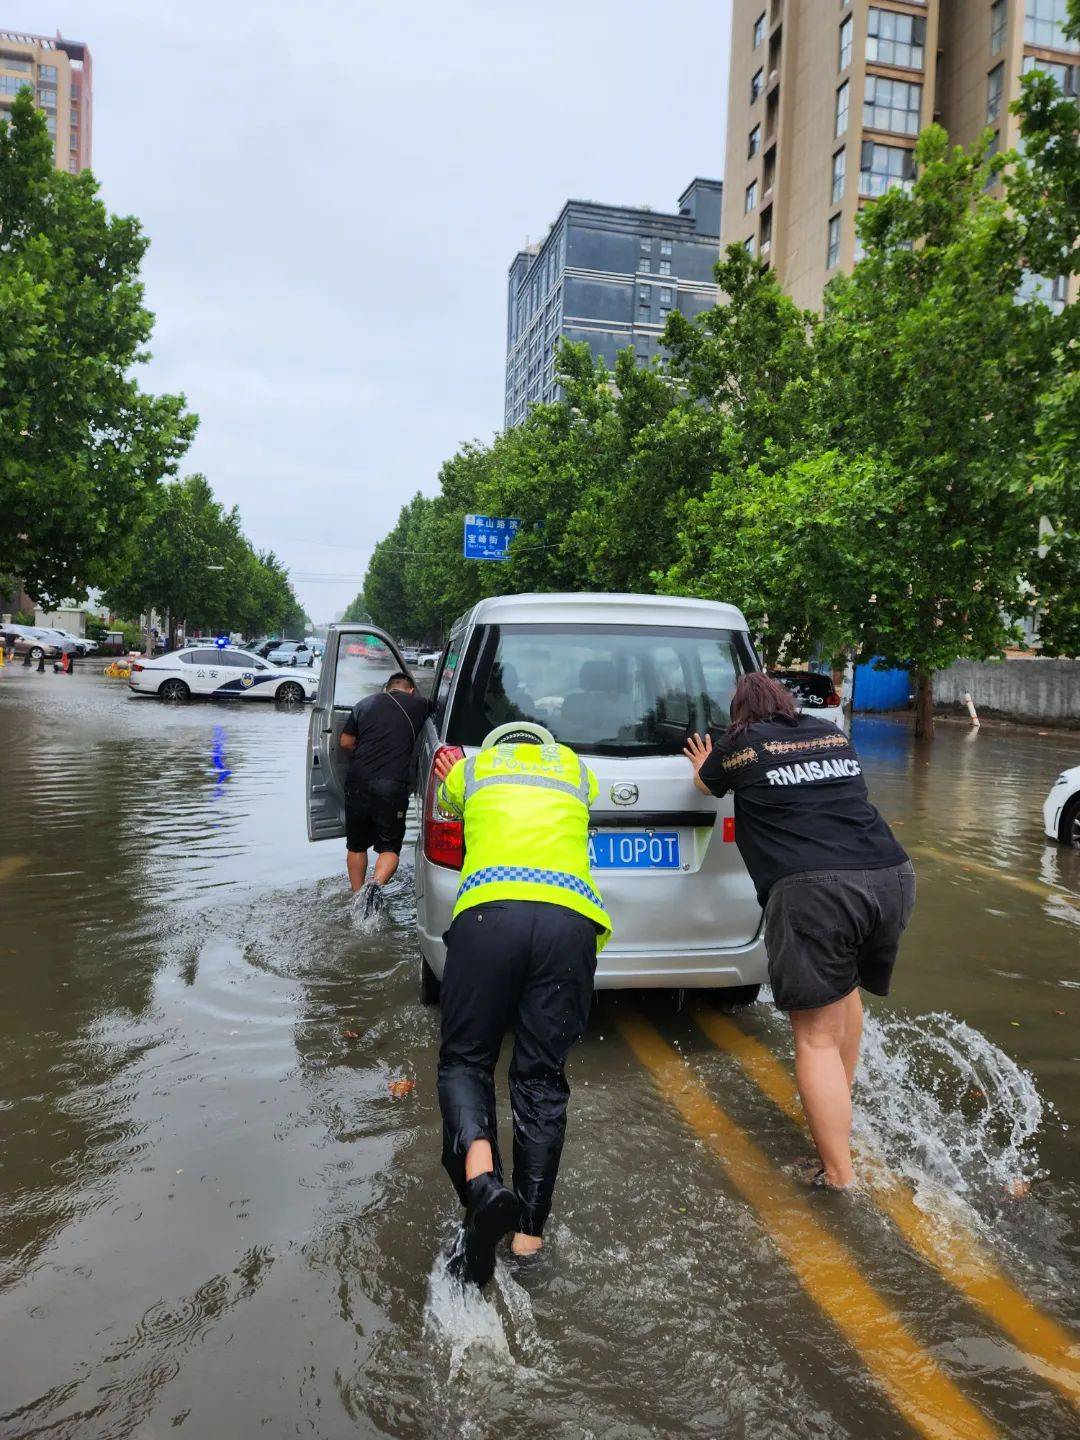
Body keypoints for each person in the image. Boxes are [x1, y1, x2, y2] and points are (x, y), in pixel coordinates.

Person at [684, 672, 913, 1191]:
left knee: (813, 1039)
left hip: (816, 891)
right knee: (845, 990)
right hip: (890, 875)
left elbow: (705, 784)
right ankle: (838, 1110)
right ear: (788, 704)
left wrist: (703, 762)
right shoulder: (830, 732)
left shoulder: (739, 743)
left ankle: (837, 1175)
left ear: (739, 713)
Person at [432, 723, 611, 1287]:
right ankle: (529, 1238)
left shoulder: (475, 768)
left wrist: (452, 775)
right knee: (539, 1078)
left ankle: (484, 1187)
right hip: (569, 924)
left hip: (489, 916)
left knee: (466, 1061)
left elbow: (447, 801)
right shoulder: (576, 768)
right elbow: (593, 799)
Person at [338, 671, 429, 913]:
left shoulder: (364, 704)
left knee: (356, 846)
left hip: (357, 781)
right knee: (389, 848)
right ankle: (375, 886)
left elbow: (345, 742)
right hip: (392, 786)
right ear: (410, 690)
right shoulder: (420, 704)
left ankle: (357, 899)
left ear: (386, 688)